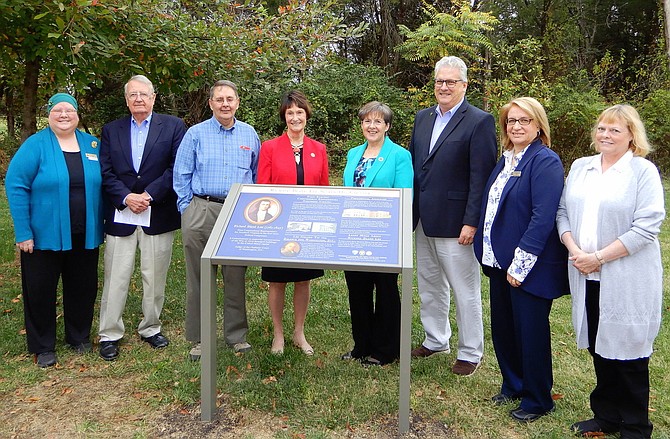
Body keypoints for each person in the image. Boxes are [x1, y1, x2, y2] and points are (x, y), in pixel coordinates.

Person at [557, 105, 664, 438]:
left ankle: (634, 425)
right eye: (602, 128)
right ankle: (606, 416)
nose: (605, 135)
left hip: (626, 277)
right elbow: (563, 213)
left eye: (615, 130)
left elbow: (647, 227)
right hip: (585, 273)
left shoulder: (642, 172)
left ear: (632, 135)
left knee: (629, 352)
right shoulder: (581, 167)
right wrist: (575, 250)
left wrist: (599, 257)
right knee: (598, 346)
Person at [473, 97, 568, 422]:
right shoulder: (507, 159)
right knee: (504, 328)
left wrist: (520, 265)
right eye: (511, 121)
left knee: (530, 333)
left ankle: (538, 399)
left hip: (528, 267)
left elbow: (542, 218)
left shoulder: (545, 161)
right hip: (499, 262)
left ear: (539, 125)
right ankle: (512, 385)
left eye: (524, 120)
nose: (516, 126)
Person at [408, 55, 497, 375]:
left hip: (458, 222)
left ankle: (471, 351)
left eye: (450, 82)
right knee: (429, 284)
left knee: (464, 288)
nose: (443, 87)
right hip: (423, 220)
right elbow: (416, 167)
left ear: (464, 85)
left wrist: (472, 221)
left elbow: (481, 178)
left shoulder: (479, 121)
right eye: (439, 81)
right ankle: (436, 339)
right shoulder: (422, 118)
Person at [5, 93, 104, 367]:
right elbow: (16, 185)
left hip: (84, 233)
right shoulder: (35, 145)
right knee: (39, 290)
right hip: (42, 236)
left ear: (77, 115)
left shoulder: (92, 144)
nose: (63, 115)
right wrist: (23, 231)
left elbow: (105, 182)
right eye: (57, 110)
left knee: (83, 287)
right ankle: (43, 345)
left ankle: (79, 336)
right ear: (48, 114)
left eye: (69, 110)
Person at [97, 75, 186, 361]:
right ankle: (109, 333)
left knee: (155, 275)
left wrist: (148, 195)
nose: (138, 99)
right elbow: (106, 171)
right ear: (126, 99)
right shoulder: (111, 130)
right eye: (133, 94)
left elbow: (177, 168)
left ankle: (151, 326)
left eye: (143, 94)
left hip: (157, 211)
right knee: (116, 276)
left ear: (153, 97)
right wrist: (126, 197)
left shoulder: (173, 127)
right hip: (122, 213)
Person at [173, 80, 261, 361]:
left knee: (235, 275)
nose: (225, 104)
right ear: (210, 103)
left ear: (237, 102)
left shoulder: (249, 134)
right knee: (199, 277)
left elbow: (256, 173)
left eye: (230, 99)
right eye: (219, 99)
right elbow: (181, 174)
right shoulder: (195, 134)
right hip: (202, 209)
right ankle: (200, 338)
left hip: (238, 213)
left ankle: (236, 336)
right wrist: (188, 209)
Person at [257, 90, 329, 355]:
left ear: (306, 116)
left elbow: (323, 188)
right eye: (290, 113)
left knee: (303, 280)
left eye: (299, 112)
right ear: (284, 117)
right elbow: (262, 188)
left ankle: (299, 332)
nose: (295, 117)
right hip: (278, 224)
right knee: (277, 281)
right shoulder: (270, 148)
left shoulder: (318, 149)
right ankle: (278, 335)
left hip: (307, 225)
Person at [341, 101, 413, 366]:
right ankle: (362, 345)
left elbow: (405, 196)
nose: (372, 126)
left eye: (378, 121)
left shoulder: (399, 155)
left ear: (387, 126)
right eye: (367, 121)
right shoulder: (353, 154)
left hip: (385, 234)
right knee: (357, 290)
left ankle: (385, 349)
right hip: (354, 233)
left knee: (385, 290)